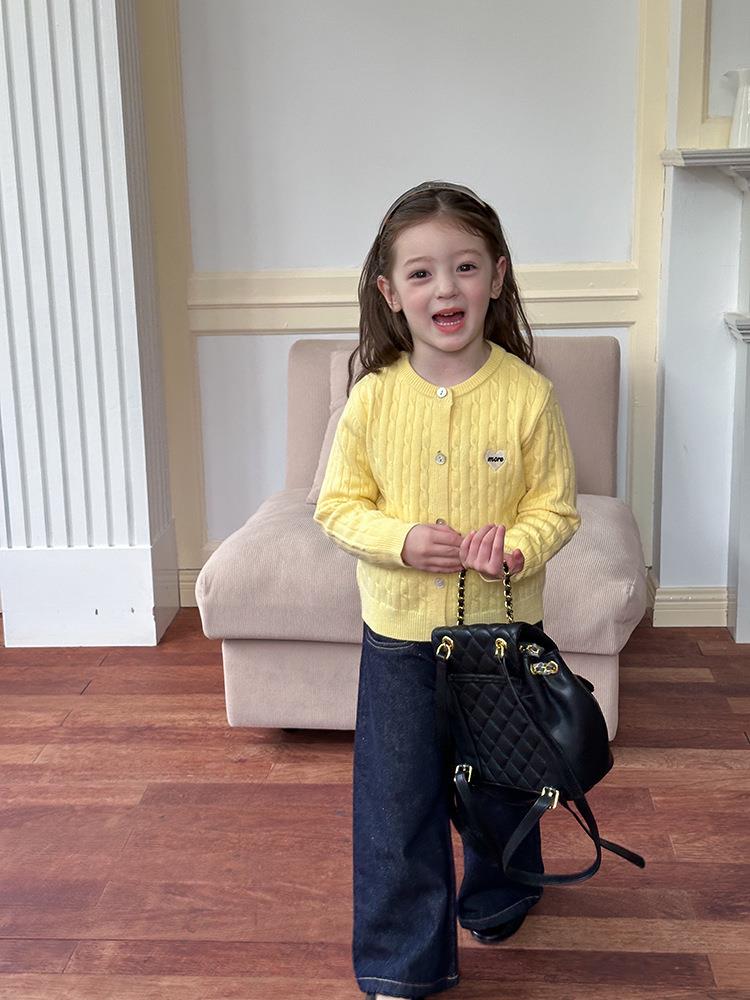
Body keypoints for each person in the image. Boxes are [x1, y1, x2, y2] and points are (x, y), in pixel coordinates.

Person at [313, 180, 581, 999]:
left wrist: (520, 546)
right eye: (422, 273)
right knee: (396, 803)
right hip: (399, 638)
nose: (446, 288)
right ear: (391, 293)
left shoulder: (528, 394)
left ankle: (501, 895)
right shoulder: (371, 397)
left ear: (497, 276)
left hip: (503, 640)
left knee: (504, 784)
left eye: (465, 266)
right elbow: (337, 507)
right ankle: (403, 961)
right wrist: (399, 541)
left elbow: (555, 507)